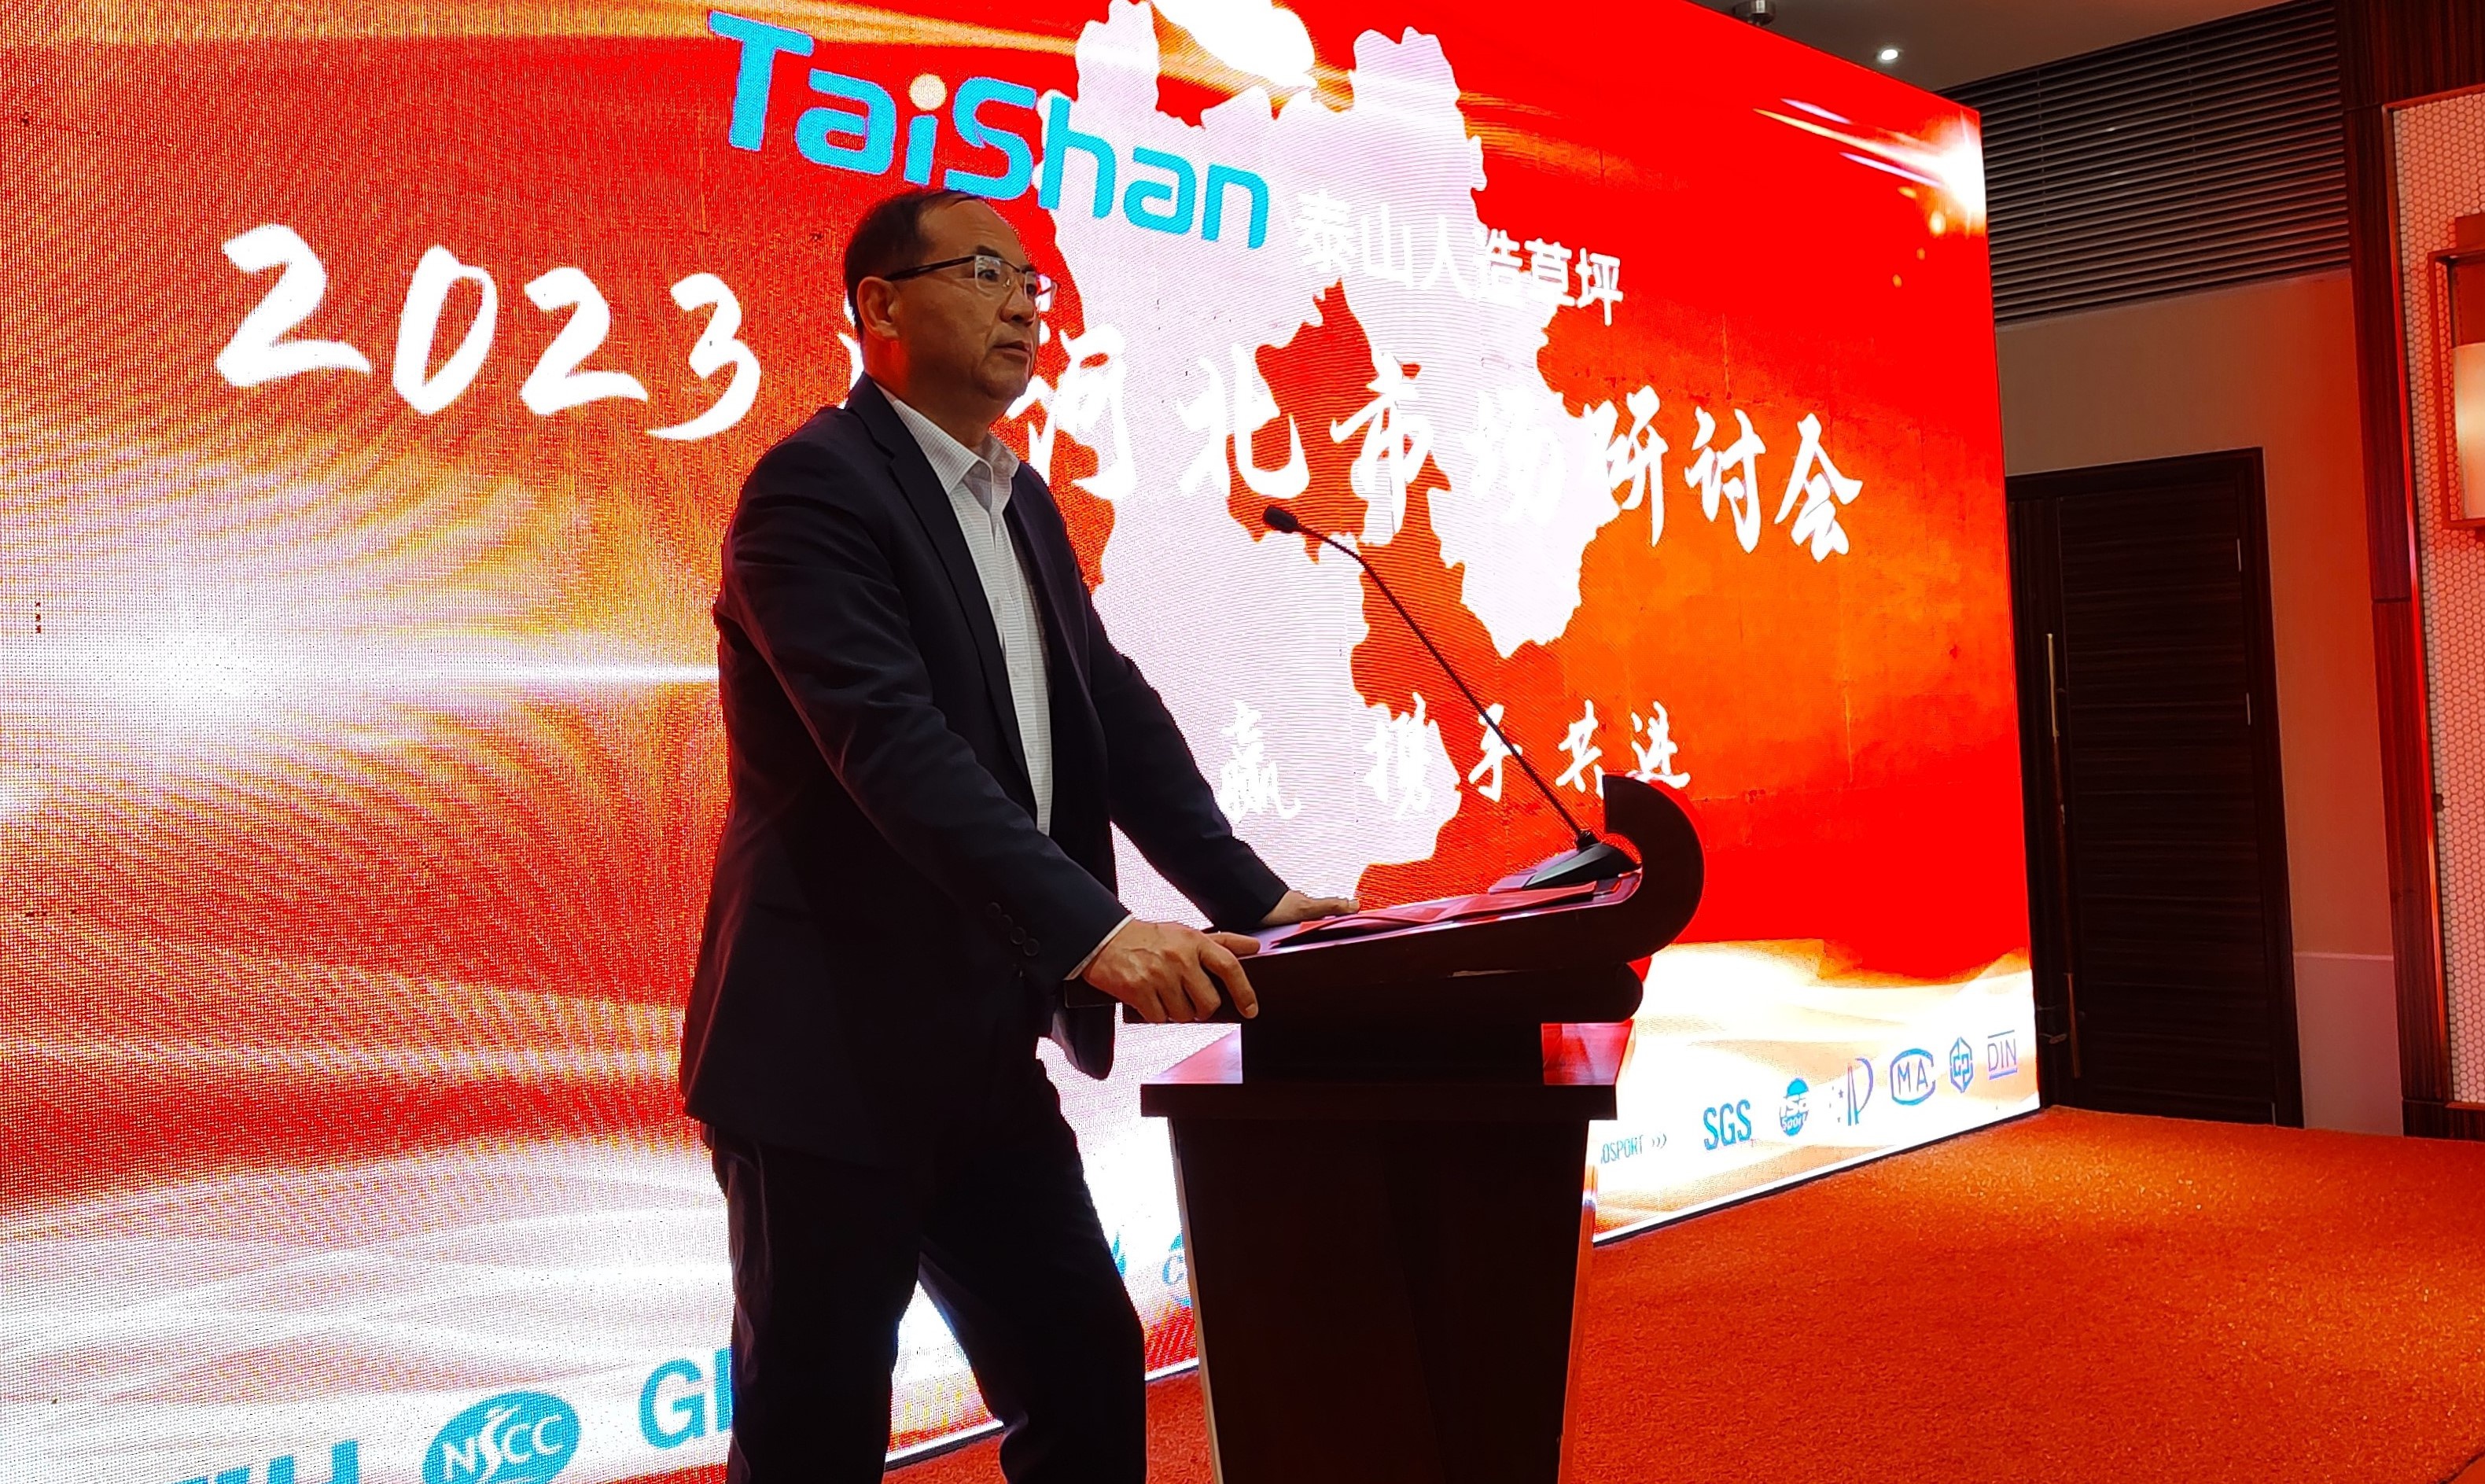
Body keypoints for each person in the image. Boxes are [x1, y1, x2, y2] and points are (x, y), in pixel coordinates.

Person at [679, 185, 1357, 1482]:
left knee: (1084, 1377)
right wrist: (1098, 933)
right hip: (826, 1059)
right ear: (880, 306)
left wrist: (1254, 899)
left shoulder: (1019, 498)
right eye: (987, 273)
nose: (1026, 306)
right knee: (816, 1434)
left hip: (980, 1054)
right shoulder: (813, 492)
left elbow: (1109, 710)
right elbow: (889, 744)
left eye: (1033, 282)